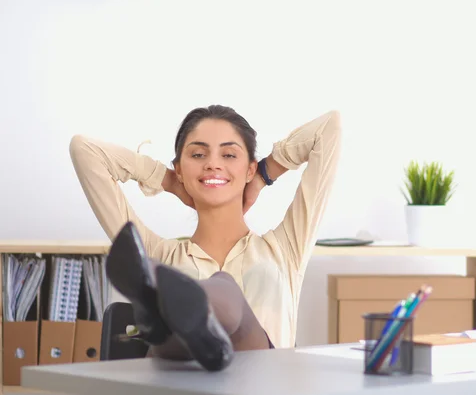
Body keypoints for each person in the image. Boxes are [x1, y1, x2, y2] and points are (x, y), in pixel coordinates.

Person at [69, 106, 341, 371]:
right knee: (177, 288)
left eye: (229, 155)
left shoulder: (286, 247)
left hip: (264, 386)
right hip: (182, 387)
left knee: (221, 288)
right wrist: (169, 181)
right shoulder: (160, 254)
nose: (212, 164)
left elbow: (329, 127)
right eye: (198, 155)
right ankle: (178, 323)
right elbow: (84, 150)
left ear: (249, 168)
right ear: (180, 168)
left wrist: (263, 175)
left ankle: (169, 313)